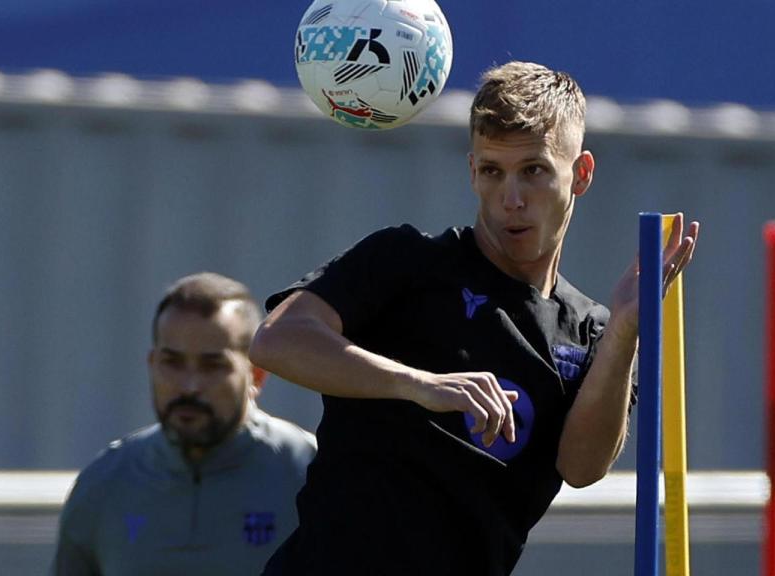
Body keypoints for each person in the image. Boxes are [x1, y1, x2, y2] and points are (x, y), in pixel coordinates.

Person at [250, 61, 699, 575]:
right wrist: (420, 384)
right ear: (471, 171)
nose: (511, 200)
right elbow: (276, 340)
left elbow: (582, 468)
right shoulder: (406, 260)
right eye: (492, 171)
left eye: (533, 171)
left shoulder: (593, 330)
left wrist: (625, 331)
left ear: (580, 175)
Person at [52, 272, 317, 576]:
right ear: (152, 365)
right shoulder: (104, 486)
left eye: (212, 365)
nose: (189, 386)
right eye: (173, 363)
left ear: (255, 376)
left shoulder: (312, 475)